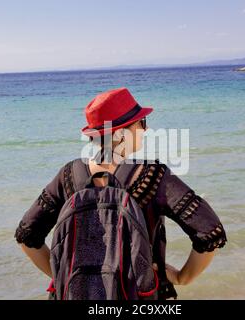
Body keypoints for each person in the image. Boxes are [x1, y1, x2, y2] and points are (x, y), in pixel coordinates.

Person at [14, 87, 227, 299]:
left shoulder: (69, 175)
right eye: (141, 123)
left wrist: (65, 277)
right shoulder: (153, 176)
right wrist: (183, 277)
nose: (146, 129)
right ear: (120, 134)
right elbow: (210, 232)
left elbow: (26, 236)